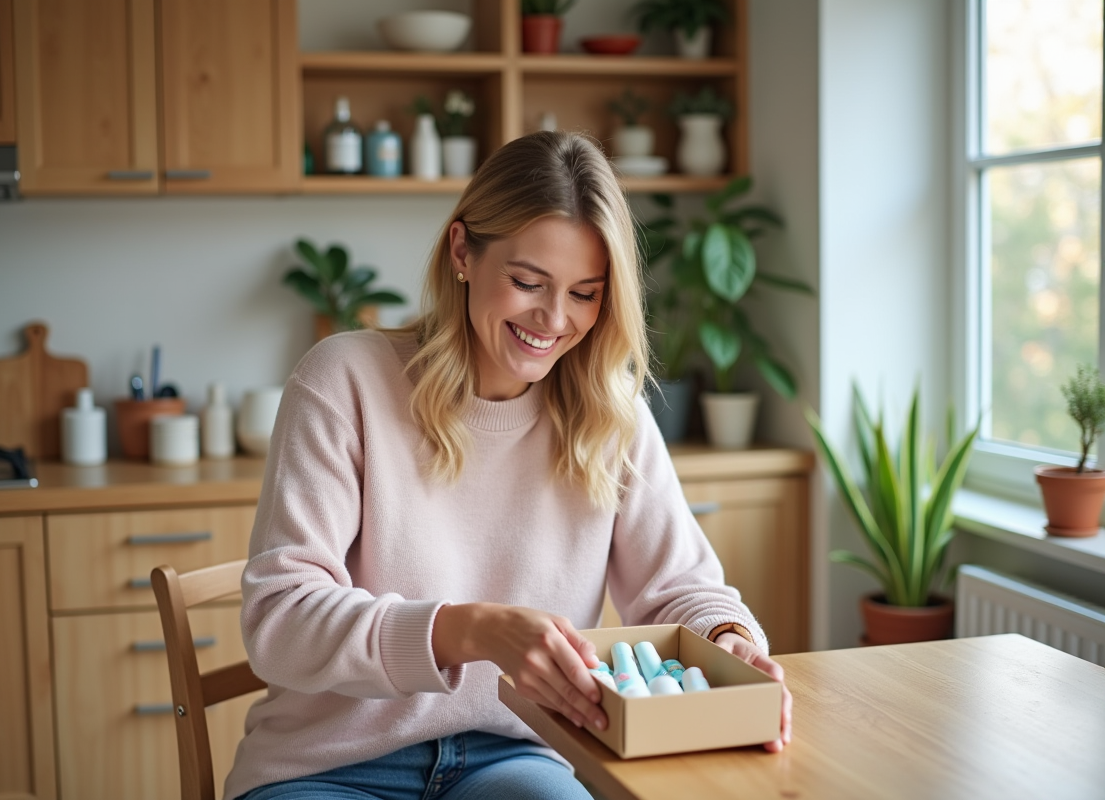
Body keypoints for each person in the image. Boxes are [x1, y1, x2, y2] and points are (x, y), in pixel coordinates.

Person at [225, 130, 791, 800]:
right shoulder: (344, 380)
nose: (554, 319)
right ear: (463, 251)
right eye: (528, 282)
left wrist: (728, 643)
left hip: (516, 758)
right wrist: (468, 630)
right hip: (327, 765)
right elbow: (281, 621)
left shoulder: (611, 415)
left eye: (586, 293)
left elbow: (678, 588)